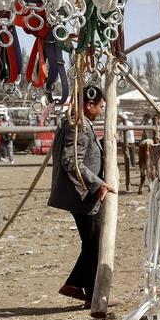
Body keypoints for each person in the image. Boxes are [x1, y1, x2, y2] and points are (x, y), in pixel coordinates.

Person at [48, 87, 115, 307]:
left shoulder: (79, 123)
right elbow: (72, 161)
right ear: (89, 105)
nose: (102, 111)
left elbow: (83, 155)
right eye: (101, 107)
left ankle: (88, 293)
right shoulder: (78, 125)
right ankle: (76, 285)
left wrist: (107, 144)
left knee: (92, 242)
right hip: (83, 193)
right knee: (94, 243)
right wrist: (97, 183)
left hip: (84, 192)